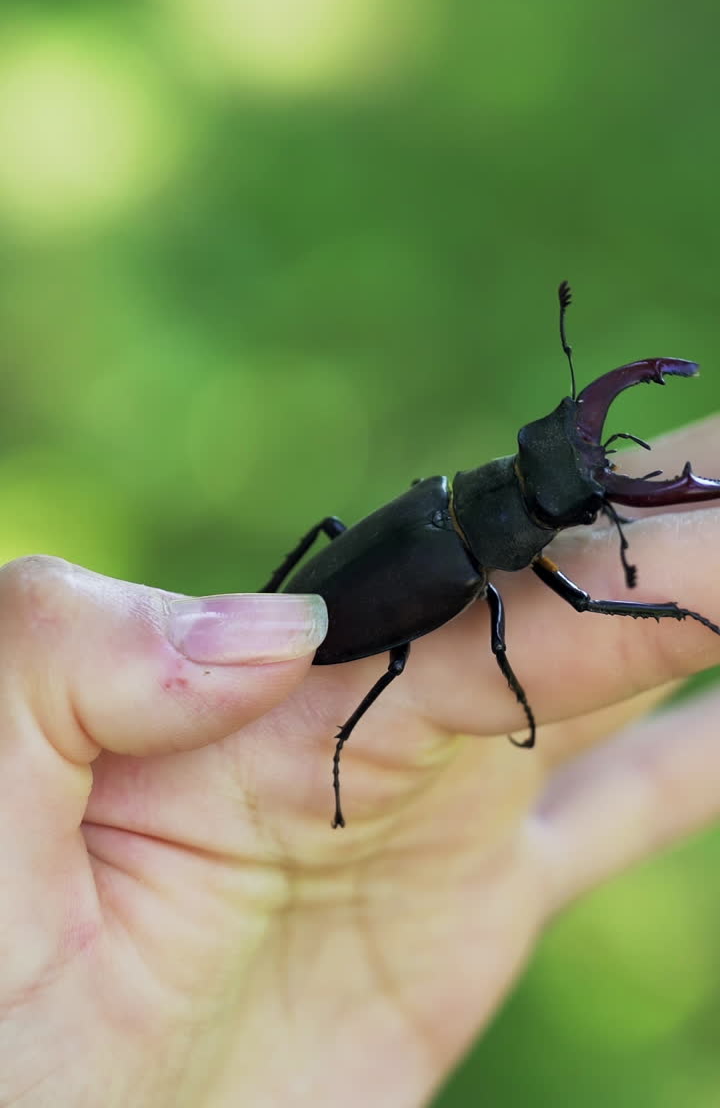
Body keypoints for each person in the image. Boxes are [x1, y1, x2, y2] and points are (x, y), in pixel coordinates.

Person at [2, 417, 720, 1108]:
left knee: (355, 568)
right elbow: (584, 605)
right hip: (365, 607)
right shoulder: (464, 550)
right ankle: (338, 726)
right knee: (449, 642)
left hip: (397, 552)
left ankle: (308, 675)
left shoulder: (437, 493)